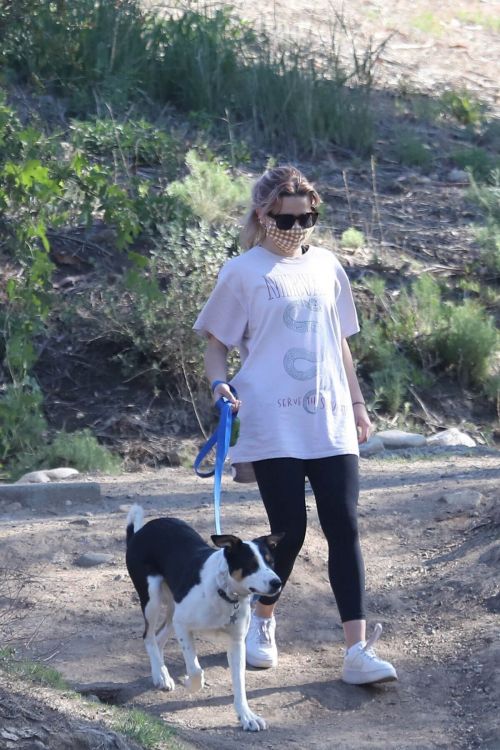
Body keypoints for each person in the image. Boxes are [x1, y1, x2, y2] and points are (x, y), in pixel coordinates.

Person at [193, 165, 397, 685]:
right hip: (270, 418)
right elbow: (216, 345)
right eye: (288, 217)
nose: (299, 226)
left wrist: (357, 405)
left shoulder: (328, 266)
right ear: (263, 215)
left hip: (328, 417)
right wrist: (219, 386)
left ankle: (356, 651)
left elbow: (340, 342)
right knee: (292, 531)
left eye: (309, 216)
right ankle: (263, 620)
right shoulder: (241, 272)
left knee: (344, 526)